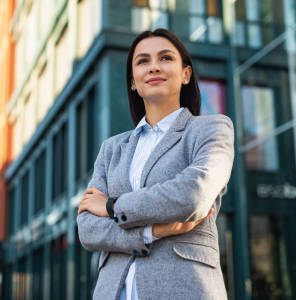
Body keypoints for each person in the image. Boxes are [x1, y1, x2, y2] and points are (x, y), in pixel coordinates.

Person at [77, 28, 234, 300]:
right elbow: (88, 229)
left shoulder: (211, 129)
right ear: (133, 82)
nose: (154, 67)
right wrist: (152, 231)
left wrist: (112, 206)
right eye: (143, 61)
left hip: (185, 289)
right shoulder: (112, 148)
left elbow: (192, 196)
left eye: (165, 58)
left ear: (186, 74)